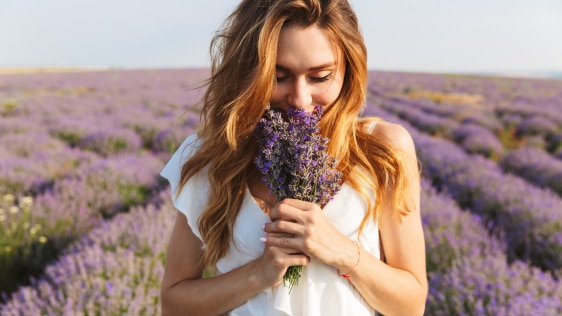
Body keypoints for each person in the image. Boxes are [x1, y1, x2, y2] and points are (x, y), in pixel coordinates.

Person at [160, 0, 427, 315]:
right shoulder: (213, 157)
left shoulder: (382, 151)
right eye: (279, 75)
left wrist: (342, 252)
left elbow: (411, 305)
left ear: (348, 70)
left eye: (320, 76)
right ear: (248, 73)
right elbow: (174, 305)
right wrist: (258, 274)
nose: (300, 100)